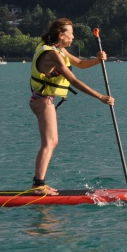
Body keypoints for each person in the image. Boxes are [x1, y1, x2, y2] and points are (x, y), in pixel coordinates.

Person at [29, 18, 114, 194]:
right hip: (43, 99)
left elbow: (81, 64)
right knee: (49, 142)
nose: (73, 37)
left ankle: (39, 183)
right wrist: (100, 97)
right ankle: (38, 186)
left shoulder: (60, 50)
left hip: (45, 99)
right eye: (71, 33)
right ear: (61, 35)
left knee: (52, 142)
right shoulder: (52, 53)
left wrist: (97, 60)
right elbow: (73, 81)